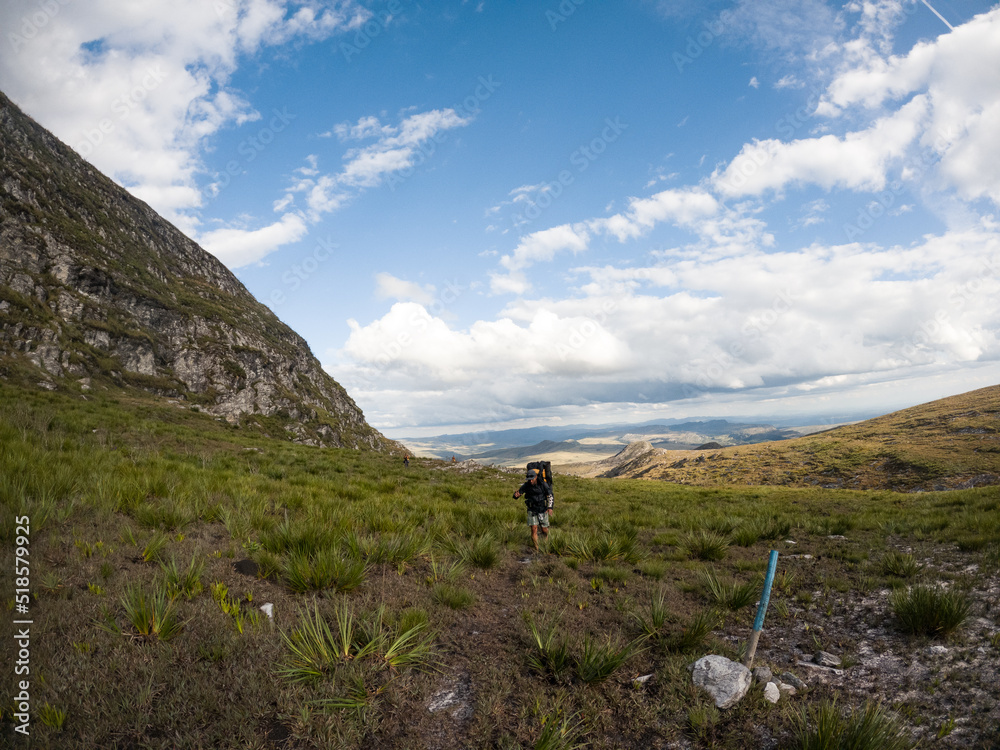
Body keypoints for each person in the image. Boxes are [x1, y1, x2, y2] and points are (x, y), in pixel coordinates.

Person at [513, 468, 554, 551]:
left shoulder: (543, 484)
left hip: (542, 509)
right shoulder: (526, 485)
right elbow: (518, 494)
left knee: (544, 529)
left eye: (531, 479)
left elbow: (550, 496)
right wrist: (515, 495)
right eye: (529, 480)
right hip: (532, 509)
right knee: (534, 529)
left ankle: (545, 542)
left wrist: (550, 508)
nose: (530, 481)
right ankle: (537, 548)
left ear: (535, 477)